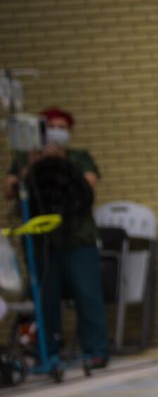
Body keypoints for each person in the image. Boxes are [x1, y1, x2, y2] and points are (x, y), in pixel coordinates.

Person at [10, 108, 108, 369]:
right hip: (43, 241)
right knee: (46, 297)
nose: (56, 132)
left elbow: (89, 183)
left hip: (78, 239)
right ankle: (48, 350)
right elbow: (10, 187)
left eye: (62, 128)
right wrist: (35, 161)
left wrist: (60, 162)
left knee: (88, 295)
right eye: (51, 127)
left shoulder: (79, 157)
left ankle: (96, 350)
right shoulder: (26, 158)